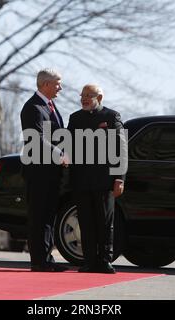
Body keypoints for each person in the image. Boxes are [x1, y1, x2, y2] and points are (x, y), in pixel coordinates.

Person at [67, 84, 127, 274]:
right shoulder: (75, 118)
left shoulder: (111, 116)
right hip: (81, 181)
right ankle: (89, 261)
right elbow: (69, 148)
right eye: (82, 95)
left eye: (88, 95)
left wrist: (120, 178)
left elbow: (121, 150)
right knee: (86, 223)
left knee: (105, 223)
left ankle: (105, 260)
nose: (83, 98)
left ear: (99, 98)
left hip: (104, 181)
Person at [20, 69, 69, 272]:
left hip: (51, 172)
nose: (60, 88)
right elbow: (35, 139)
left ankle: (47, 258)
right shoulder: (32, 107)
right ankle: (38, 260)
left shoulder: (50, 106)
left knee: (48, 216)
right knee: (38, 216)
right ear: (46, 84)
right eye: (58, 84)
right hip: (38, 172)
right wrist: (60, 154)